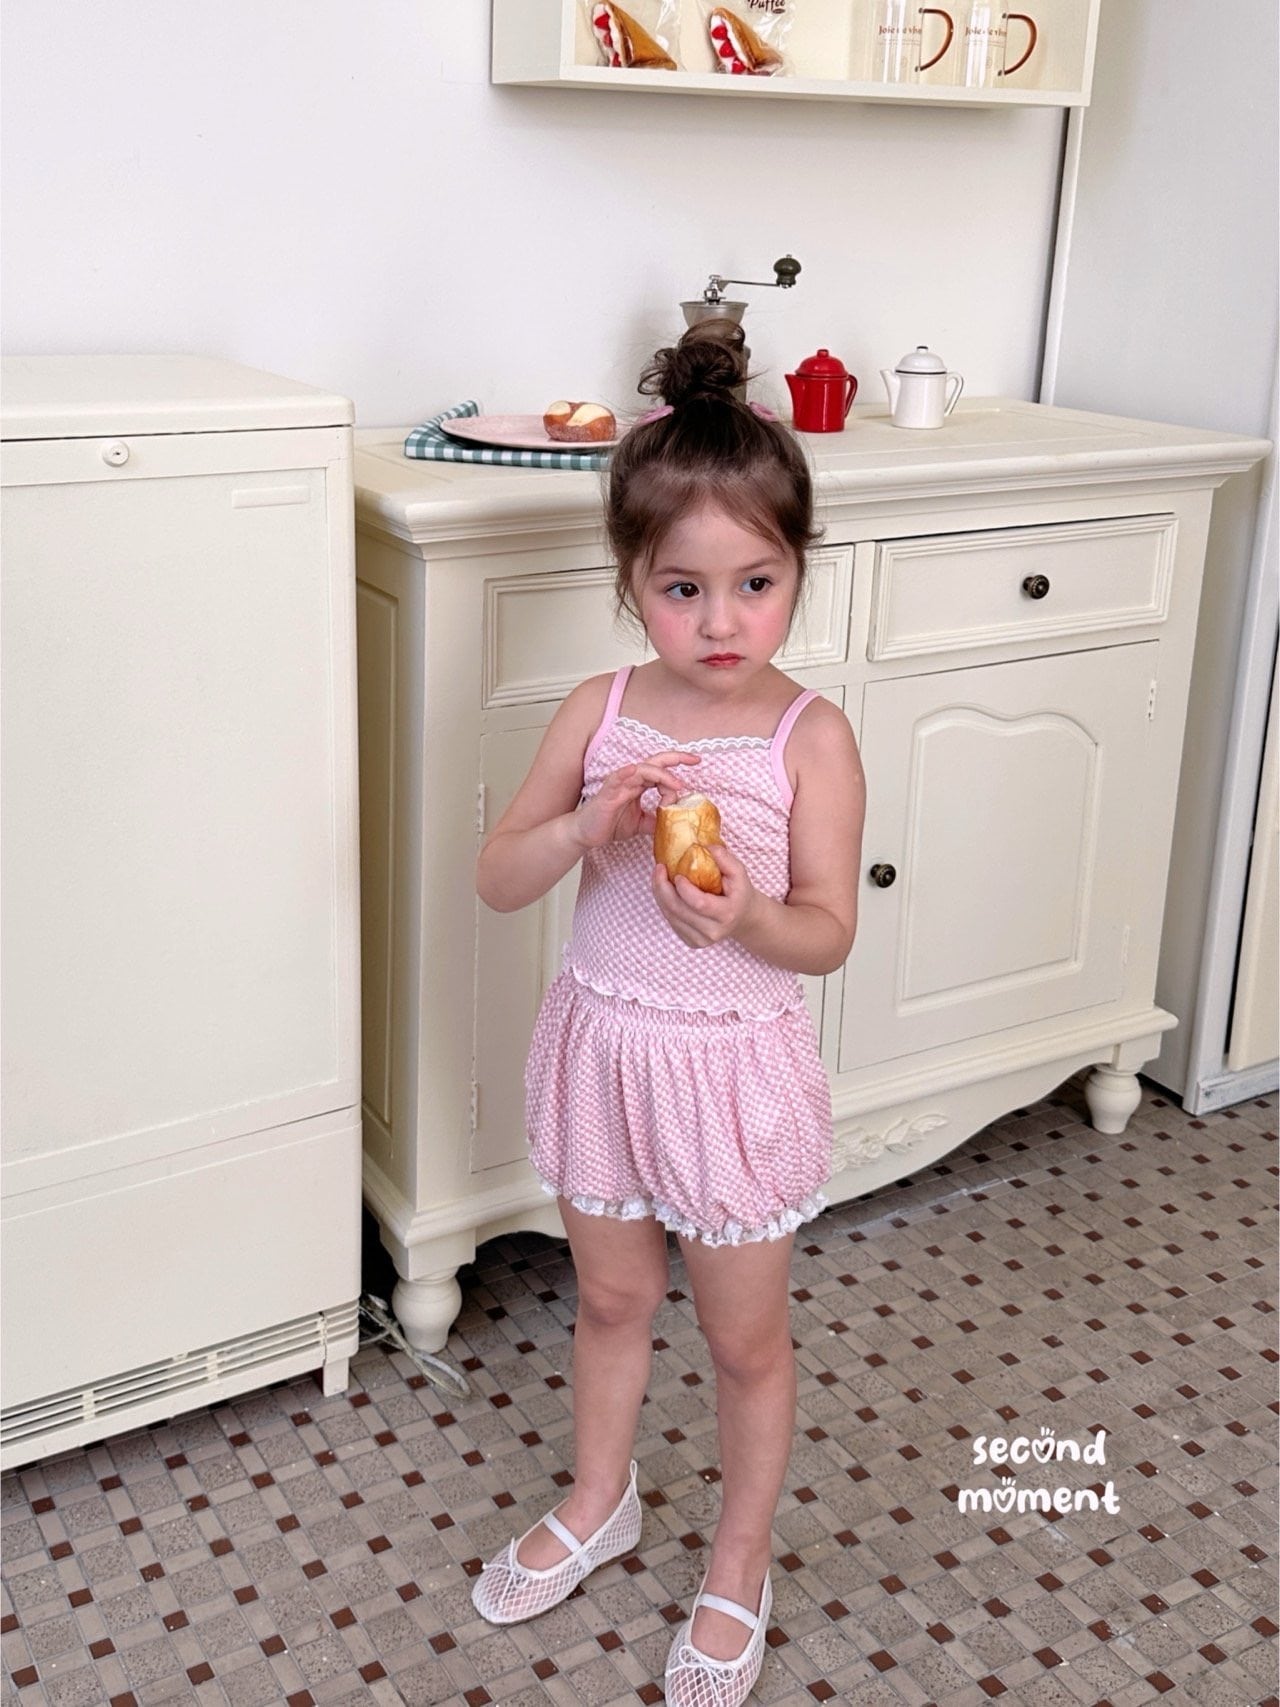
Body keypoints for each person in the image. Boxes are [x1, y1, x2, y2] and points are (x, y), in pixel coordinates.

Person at [470, 322, 867, 1705]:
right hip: (607, 1053)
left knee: (744, 1340)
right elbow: (498, 878)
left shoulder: (810, 737)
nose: (721, 623)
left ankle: (740, 1557)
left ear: (797, 571)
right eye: (683, 589)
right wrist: (586, 826)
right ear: (631, 580)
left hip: (731, 1076)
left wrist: (748, 915)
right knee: (611, 1299)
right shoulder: (601, 712)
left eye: (756, 584)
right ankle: (601, 1497)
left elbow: (826, 933)